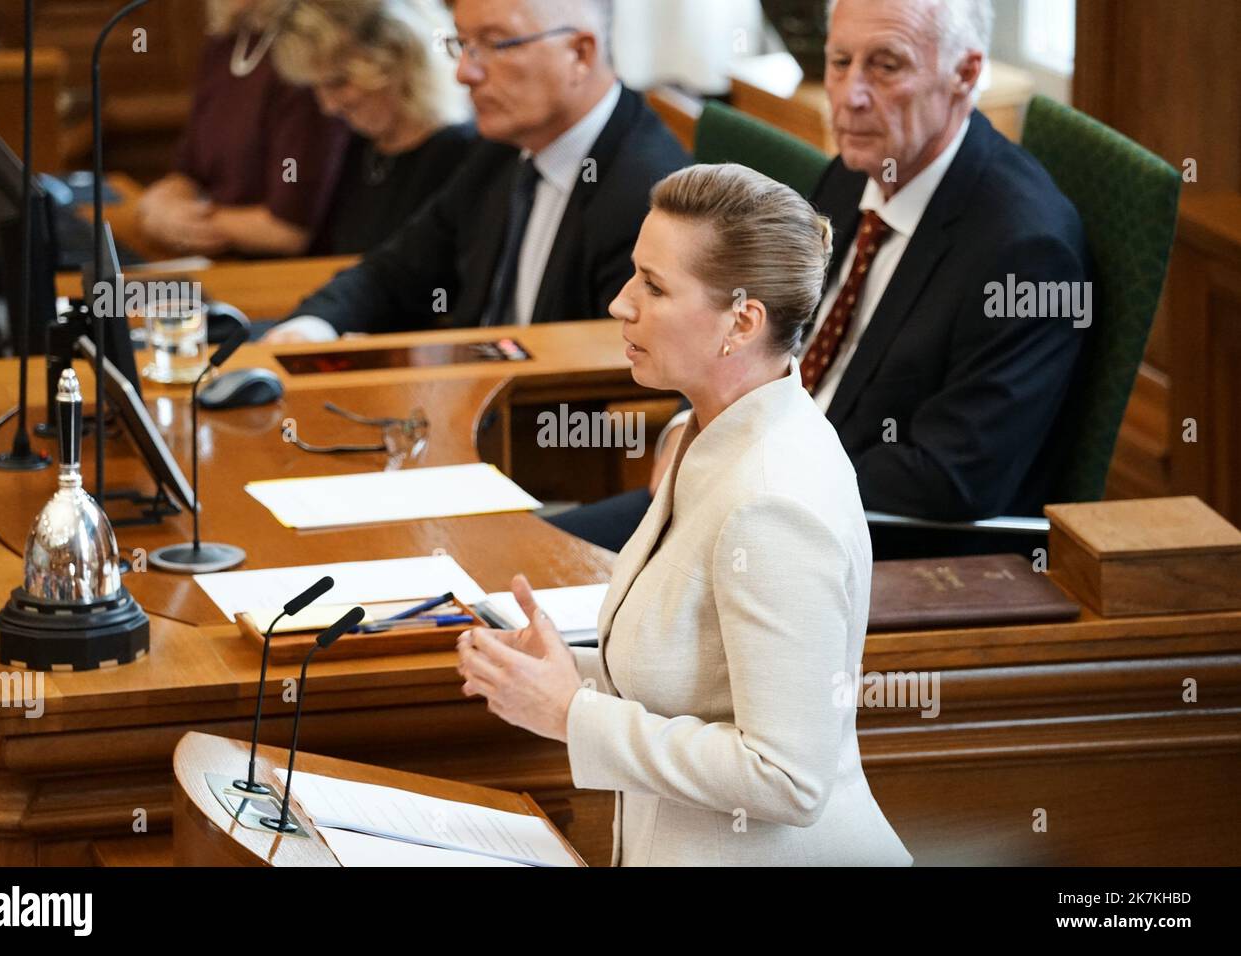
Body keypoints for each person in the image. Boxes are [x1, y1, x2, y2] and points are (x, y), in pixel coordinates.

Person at [457, 164, 913, 867]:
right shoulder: (714, 432)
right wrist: (561, 674)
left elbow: (788, 779)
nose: (620, 303)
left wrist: (571, 715)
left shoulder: (772, 501)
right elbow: (690, 683)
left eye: (655, 286)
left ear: (743, 322)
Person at [549, 0, 1091, 558]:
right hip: (738, 492)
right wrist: (689, 433)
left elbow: (955, 477)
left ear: (966, 73)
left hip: (852, 543)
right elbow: (757, 342)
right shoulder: (863, 170)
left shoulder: (1024, 250)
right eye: (839, 62)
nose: (850, 96)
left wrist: (741, 470)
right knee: (526, 560)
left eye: (886, 66)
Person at [265, 0, 690, 344]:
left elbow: (625, 380)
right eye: (462, 44)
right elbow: (396, 271)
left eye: (496, 44)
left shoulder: (648, 195)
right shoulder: (501, 150)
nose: (464, 72)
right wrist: (309, 329)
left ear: (580, 53)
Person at [135, 0, 348, 257]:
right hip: (213, 255)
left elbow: (286, 230)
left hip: (278, 272)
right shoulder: (225, 44)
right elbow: (189, 170)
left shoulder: (301, 56)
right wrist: (158, 204)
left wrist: (172, 221)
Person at [270, 0, 476, 256]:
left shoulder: (462, 154)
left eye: (339, 82)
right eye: (316, 86)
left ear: (398, 58)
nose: (328, 106)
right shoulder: (358, 150)